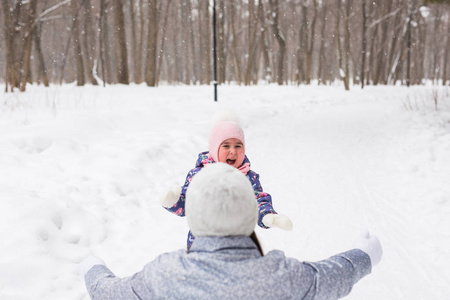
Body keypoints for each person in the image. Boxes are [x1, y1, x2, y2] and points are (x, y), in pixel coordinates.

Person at [79, 163, 383, 300]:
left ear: (193, 218)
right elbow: (329, 277)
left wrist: (92, 268)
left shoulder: (165, 275)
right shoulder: (281, 275)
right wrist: (362, 256)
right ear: (251, 214)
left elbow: (108, 293)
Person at [161, 115, 293, 248]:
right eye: (226, 146)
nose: (233, 151)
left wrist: (267, 216)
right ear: (214, 148)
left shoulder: (248, 178)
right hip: (201, 246)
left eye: (238, 146)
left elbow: (258, 201)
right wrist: (174, 201)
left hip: (236, 245)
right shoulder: (199, 176)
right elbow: (187, 206)